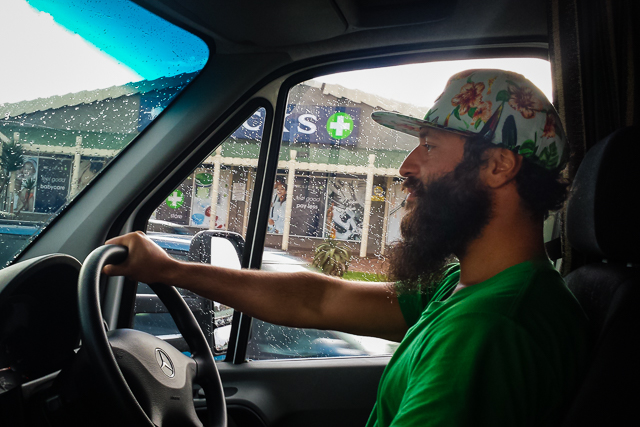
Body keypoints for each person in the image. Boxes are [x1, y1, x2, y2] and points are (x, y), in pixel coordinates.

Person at [105, 70, 589, 426]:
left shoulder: (488, 330)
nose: (406, 166)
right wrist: (170, 270)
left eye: (430, 145)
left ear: (499, 166)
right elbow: (319, 299)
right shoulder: (473, 288)